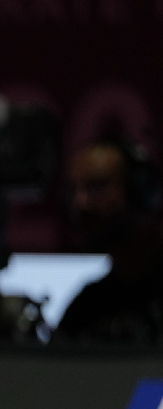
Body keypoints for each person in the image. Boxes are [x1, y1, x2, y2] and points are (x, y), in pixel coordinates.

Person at [55, 137, 163, 344]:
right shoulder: (86, 308)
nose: (80, 204)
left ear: (141, 191)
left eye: (96, 186)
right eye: (73, 191)